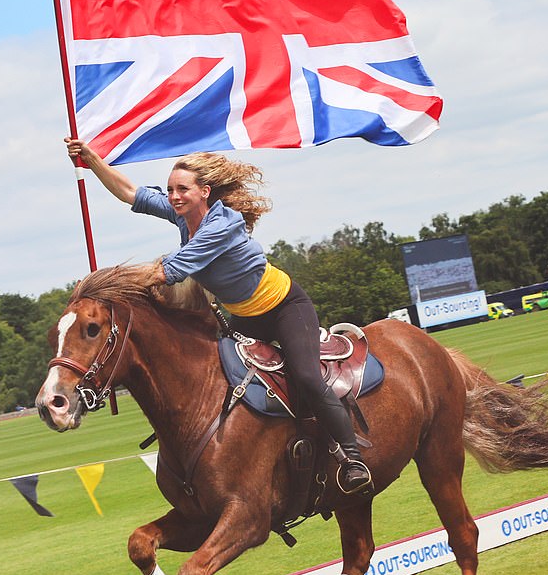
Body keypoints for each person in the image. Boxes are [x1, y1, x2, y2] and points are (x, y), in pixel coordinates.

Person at [65, 138, 373, 495]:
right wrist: (92, 160)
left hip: (285, 308)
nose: (174, 196)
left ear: (204, 192)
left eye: (182, 189)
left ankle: (351, 458)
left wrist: (103, 286)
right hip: (243, 315)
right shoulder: (180, 215)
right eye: (170, 190)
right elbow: (130, 192)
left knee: (305, 375)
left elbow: (170, 271)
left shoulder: (222, 225)